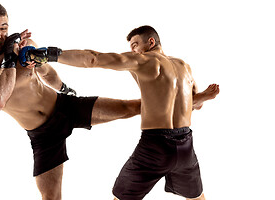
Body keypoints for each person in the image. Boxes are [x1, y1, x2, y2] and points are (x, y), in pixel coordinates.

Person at [0, 0, 143, 200]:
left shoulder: (24, 48)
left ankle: (177, 108)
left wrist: (63, 87)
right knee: (52, 199)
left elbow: (48, 74)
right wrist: (9, 58)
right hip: (43, 136)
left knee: (130, 107)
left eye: (3, 28)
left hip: (65, 107)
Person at [25, 25, 219, 199]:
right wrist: (204, 96)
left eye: (135, 44)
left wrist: (48, 55)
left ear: (151, 42)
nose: (132, 50)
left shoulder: (143, 60)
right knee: (197, 198)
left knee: (122, 197)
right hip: (186, 145)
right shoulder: (184, 66)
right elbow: (194, 105)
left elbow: (93, 59)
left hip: (156, 145)